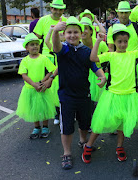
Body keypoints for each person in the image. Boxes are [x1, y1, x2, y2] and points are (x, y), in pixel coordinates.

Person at [81, 23, 138, 164]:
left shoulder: (133, 54)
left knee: (122, 123)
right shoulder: (110, 55)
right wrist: (98, 40)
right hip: (113, 95)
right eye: (119, 41)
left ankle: (119, 147)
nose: (122, 44)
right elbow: (93, 58)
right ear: (114, 42)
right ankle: (88, 145)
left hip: (129, 95)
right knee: (100, 122)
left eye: (125, 41)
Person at [52, 16, 106, 170]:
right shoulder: (63, 50)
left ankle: (83, 141)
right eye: (69, 32)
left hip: (84, 95)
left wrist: (101, 76)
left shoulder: (86, 51)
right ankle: (67, 153)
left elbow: (95, 67)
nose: (72, 35)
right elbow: (55, 47)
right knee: (67, 126)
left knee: (84, 123)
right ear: (64, 34)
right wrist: (55, 31)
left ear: (81, 34)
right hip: (66, 96)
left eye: (76, 32)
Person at [16, 33, 57, 139]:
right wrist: (34, 84)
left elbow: (51, 70)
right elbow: (24, 75)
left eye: (37, 44)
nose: (35, 46)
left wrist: (43, 81)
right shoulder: (25, 60)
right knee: (33, 109)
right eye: (32, 44)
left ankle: (45, 127)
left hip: (42, 88)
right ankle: (36, 127)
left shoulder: (43, 58)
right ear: (26, 48)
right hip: (30, 89)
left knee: (44, 109)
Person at [34, 0, 67, 125]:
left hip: (62, 56)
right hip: (47, 58)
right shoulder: (42, 21)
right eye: (55, 9)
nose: (58, 12)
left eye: (60, 9)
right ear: (51, 8)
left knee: (61, 85)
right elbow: (36, 39)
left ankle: (60, 112)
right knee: (48, 86)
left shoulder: (66, 21)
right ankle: (52, 112)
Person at [80, 16, 109, 103]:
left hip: (99, 75)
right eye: (81, 28)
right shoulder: (77, 45)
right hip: (83, 76)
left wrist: (106, 69)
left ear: (91, 31)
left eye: (86, 28)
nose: (83, 31)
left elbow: (109, 58)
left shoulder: (101, 44)